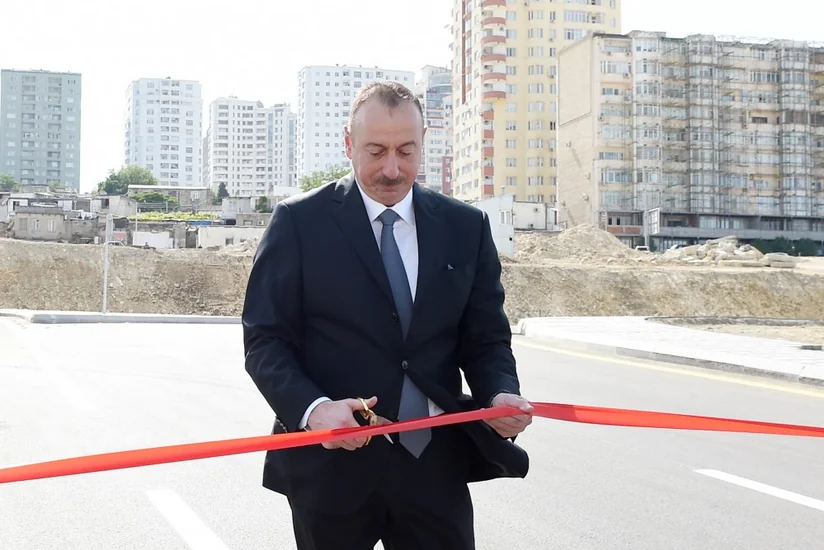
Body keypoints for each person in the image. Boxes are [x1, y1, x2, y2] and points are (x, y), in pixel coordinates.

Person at [242, 80, 534, 550]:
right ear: (348, 144)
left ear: (424, 145)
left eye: (406, 150)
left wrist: (500, 393)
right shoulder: (299, 224)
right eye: (376, 151)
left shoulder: (466, 227)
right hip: (331, 468)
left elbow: (485, 340)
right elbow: (265, 342)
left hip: (434, 468)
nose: (392, 169)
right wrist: (314, 411)